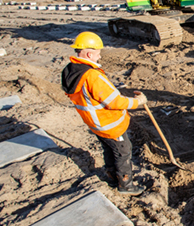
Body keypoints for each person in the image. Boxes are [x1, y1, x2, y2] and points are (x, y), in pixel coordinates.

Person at [61, 32, 147, 196]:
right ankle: (126, 185)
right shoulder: (92, 76)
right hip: (110, 125)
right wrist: (139, 102)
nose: (100, 57)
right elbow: (116, 102)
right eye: (98, 53)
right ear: (89, 53)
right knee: (123, 152)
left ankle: (111, 177)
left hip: (95, 124)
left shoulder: (71, 71)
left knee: (109, 150)